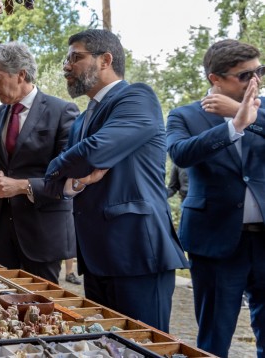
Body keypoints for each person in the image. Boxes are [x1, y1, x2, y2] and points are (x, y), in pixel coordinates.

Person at [43, 29, 188, 333]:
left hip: (137, 254)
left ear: (105, 60)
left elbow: (92, 151)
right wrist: (78, 181)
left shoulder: (137, 97)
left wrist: (58, 166)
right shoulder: (82, 119)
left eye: (75, 57)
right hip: (95, 259)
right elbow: (58, 181)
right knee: (106, 347)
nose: (66, 66)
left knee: (142, 346)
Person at [166, 39, 265, 357]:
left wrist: (243, 112)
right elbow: (180, 153)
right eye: (245, 75)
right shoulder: (184, 115)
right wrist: (235, 125)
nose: (256, 81)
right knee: (214, 337)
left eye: (259, 71)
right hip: (216, 242)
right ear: (215, 79)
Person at [0, 43, 78, 284]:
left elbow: (69, 177)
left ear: (20, 74)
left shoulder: (62, 111)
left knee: (40, 309)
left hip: (42, 234)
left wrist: (20, 186)